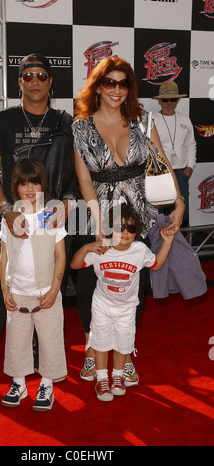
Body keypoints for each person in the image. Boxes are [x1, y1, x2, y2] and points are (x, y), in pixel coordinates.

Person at [0, 53, 77, 403]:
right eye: (27, 76)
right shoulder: (3, 121)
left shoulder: (65, 122)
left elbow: (74, 175)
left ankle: (57, 373)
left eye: (41, 75)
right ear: (19, 82)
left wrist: (66, 204)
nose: (34, 81)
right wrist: (6, 210)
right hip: (15, 221)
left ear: (51, 82)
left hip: (52, 222)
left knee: (50, 300)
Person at [71, 56, 184, 386]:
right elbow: (85, 180)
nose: (116, 90)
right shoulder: (81, 127)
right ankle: (93, 350)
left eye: (123, 84)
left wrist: (178, 202)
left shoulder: (143, 121)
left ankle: (125, 350)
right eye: (110, 82)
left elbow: (162, 164)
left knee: (134, 285)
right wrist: (98, 224)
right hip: (97, 215)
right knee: (88, 284)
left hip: (138, 215)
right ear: (98, 86)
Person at [71, 203, 174, 401]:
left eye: (131, 228)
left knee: (123, 345)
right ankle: (102, 380)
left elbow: (157, 264)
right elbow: (75, 265)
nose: (126, 232)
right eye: (120, 227)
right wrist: (85, 248)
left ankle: (117, 377)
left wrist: (167, 242)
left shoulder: (139, 250)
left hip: (127, 308)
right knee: (100, 344)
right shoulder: (101, 249)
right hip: (102, 306)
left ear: (137, 231)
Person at [0, 158, 67, 411]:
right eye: (24, 184)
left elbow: (61, 255)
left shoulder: (52, 216)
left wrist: (54, 289)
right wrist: (6, 289)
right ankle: (19, 383)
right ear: (15, 187)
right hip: (17, 293)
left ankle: (47, 384)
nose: (29, 189)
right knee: (16, 341)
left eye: (35, 183)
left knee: (50, 340)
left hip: (46, 293)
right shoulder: (10, 217)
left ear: (43, 185)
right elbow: (3, 255)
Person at [152, 81, 196, 224]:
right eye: (165, 99)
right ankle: (159, 246)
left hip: (180, 174)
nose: (169, 103)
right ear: (159, 100)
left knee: (181, 218)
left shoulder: (185, 119)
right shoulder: (152, 120)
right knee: (159, 219)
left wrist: (189, 169)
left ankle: (181, 245)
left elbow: (190, 144)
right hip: (159, 175)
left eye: (173, 99)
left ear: (178, 100)